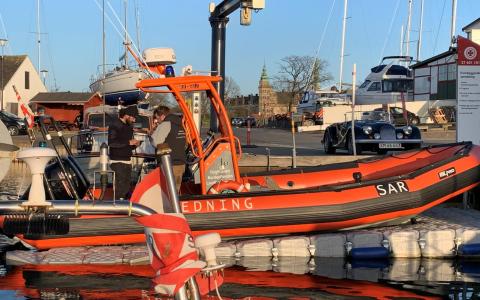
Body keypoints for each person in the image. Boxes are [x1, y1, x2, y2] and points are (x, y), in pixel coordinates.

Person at [151, 106, 186, 192]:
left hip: (169, 165)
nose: (156, 120)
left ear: (162, 116)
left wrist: (151, 136)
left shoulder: (165, 124)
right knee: (175, 192)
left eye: (157, 117)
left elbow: (156, 142)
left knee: (167, 193)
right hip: (180, 164)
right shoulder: (179, 125)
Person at [108, 105, 141, 199]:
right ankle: (117, 208)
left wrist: (136, 144)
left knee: (126, 187)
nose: (134, 120)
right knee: (120, 188)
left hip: (127, 160)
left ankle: (125, 207)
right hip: (117, 161)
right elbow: (112, 143)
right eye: (133, 118)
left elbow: (127, 145)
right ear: (126, 115)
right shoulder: (115, 125)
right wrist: (129, 142)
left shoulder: (129, 126)